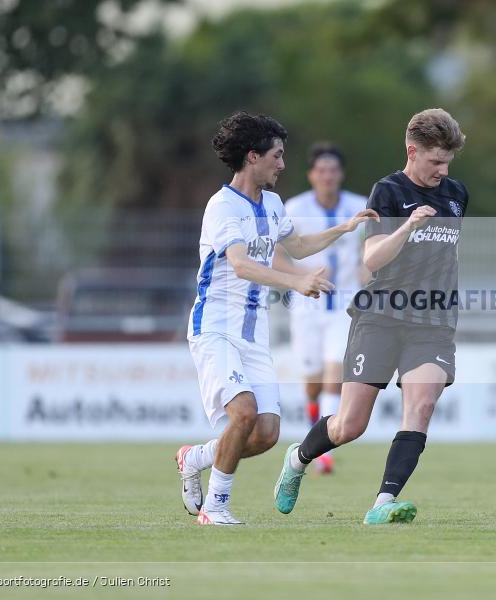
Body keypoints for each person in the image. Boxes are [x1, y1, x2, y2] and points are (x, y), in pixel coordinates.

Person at [174, 111, 378, 525]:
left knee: (266, 434)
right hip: (215, 329)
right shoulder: (222, 206)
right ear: (253, 157)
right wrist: (295, 282)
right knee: (243, 413)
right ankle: (215, 508)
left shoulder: (271, 202)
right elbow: (241, 264)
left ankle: (195, 457)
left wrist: (346, 227)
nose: (283, 165)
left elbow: (299, 245)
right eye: (278, 156)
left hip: (253, 334)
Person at [272, 108, 467, 525]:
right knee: (350, 424)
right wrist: (406, 228)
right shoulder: (387, 192)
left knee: (422, 405)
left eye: (447, 162)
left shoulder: (456, 194)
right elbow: (373, 257)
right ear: (412, 152)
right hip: (380, 317)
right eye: (435, 161)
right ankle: (298, 457)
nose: (442, 170)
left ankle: (382, 503)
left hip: (432, 323)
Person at [279, 143, 369, 474]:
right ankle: (313, 430)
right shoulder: (295, 207)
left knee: (336, 377)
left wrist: (367, 270)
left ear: (340, 175)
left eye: (333, 170)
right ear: (311, 175)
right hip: (307, 307)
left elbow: (370, 249)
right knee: (313, 383)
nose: (327, 176)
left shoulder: (359, 206)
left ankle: (324, 455)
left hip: (345, 307)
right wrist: (303, 276)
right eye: (321, 170)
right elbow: (278, 255)